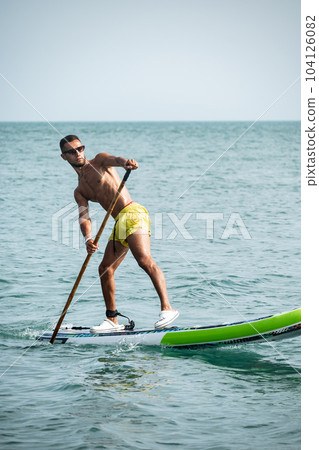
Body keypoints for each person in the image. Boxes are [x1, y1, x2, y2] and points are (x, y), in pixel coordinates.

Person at [59, 135, 179, 332]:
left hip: (132, 213)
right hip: (119, 222)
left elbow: (117, 160)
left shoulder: (99, 161)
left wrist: (127, 163)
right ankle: (112, 320)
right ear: (64, 157)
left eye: (80, 148)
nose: (78, 153)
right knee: (105, 268)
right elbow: (84, 216)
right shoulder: (79, 190)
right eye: (72, 151)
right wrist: (88, 238)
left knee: (144, 260)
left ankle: (167, 309)